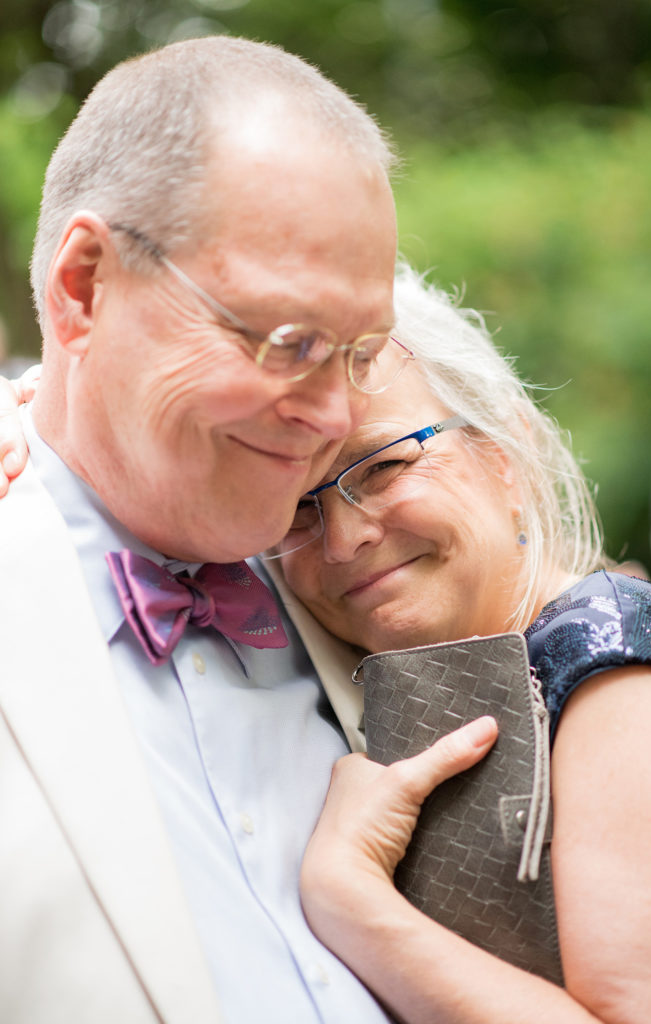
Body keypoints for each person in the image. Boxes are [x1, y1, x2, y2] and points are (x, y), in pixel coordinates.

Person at [0, 33, 429, 1024]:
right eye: (288, 343)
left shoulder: (360, 568)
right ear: (84, 287)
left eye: (359, 352)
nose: (331, 415)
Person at [265, 265, 651, 1024]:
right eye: (297, 510)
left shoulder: (612, 665)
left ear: (503, 452)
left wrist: (352, 900)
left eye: (386, 465)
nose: (345, 538)